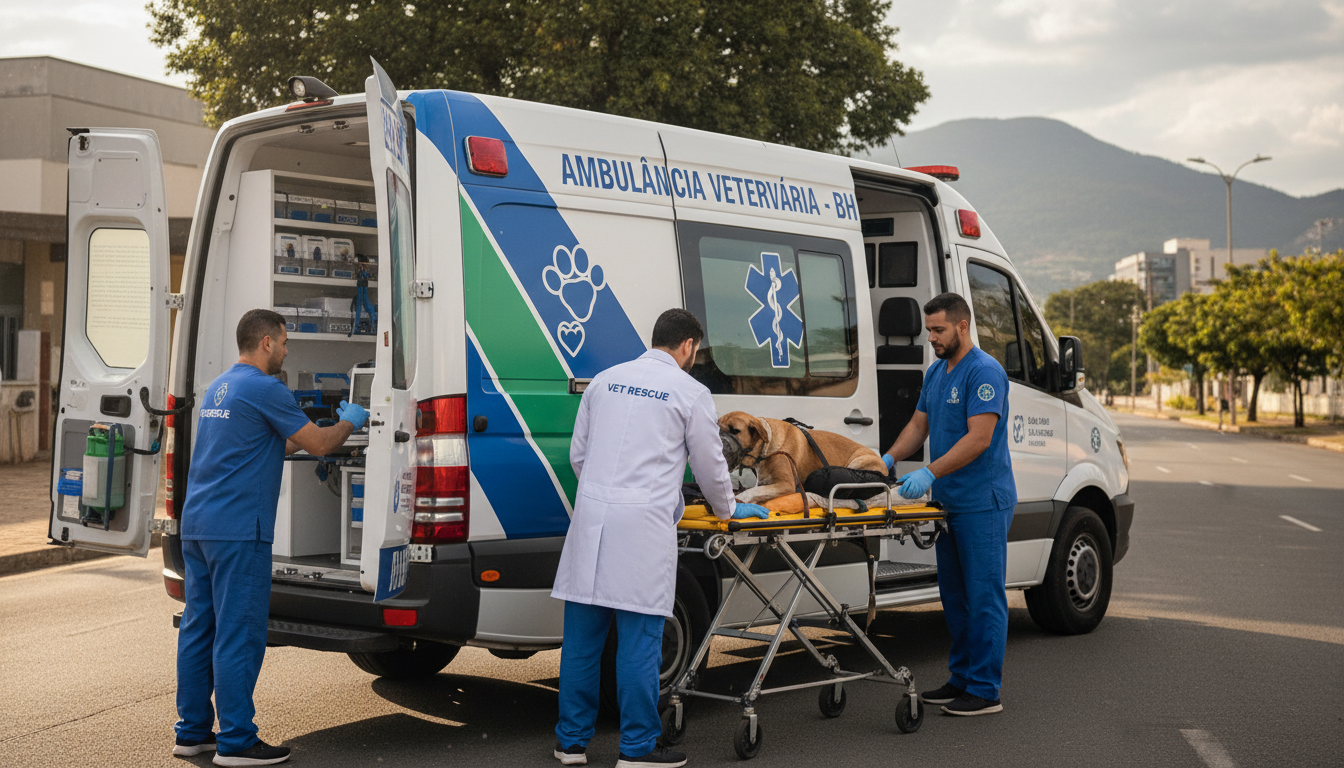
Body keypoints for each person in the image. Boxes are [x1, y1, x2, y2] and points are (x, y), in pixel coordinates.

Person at [550, 308, 770, 767]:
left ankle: (571, 743)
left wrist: (605, 493)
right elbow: (710, 466)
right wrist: (729, 509)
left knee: (583, 641)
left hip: (591, 520)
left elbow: (579, 456)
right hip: (642, 529)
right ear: (689, 346)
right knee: (639, 641)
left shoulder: (604, 381)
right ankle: (636, 748)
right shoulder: (690, 392)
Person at [173, 309, 368, 766]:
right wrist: (351, 423)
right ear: (266, 342)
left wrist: (312, 431)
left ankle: (193, 732)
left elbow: (268, 441)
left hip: (198, 526)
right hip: (239, 530)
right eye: (284, 342)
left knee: (199, 629)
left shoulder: (221, 386)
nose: (286, 350)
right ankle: (237, 742)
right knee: (238, 634)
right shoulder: (267, 388)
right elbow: (322, 445)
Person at [881, 292, 1016, 717]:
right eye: (929, 331)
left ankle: (985, 690)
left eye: (938, 330)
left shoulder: (984, 371)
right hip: (949, 502)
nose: (932, 338)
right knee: (955, 598)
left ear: (962, 325)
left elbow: (979, 438)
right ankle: (961, 678)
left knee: (983, 596)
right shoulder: (937, 371)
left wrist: (929, 473)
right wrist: (887, 459)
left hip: (982, 501)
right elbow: (918, 425)